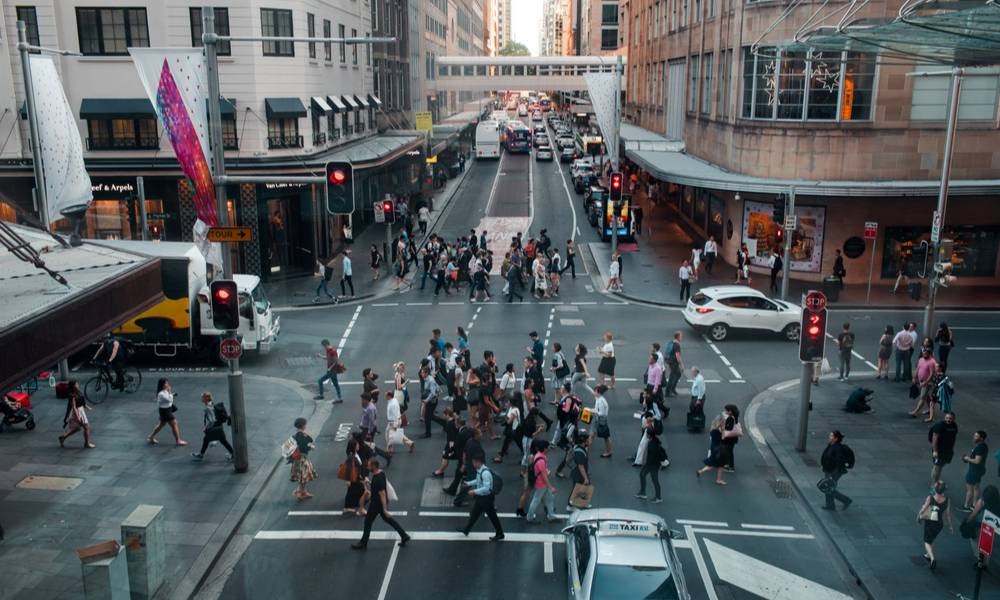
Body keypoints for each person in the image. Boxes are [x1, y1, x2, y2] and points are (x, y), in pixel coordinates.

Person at [351, 458, 410, 549]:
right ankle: (404, 535)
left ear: (374, 466)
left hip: (376, 504)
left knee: (368, 522)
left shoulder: (377, 479)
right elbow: (379, 488)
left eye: (369, 465)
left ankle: (363, 543)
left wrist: (385, 509)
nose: (367, 467)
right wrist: (370, 483)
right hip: (379, 503)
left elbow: (382, 493)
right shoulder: (381, 473)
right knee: (388, 520)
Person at [456, 455, 505, 541]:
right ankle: (466, 529)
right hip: (482, 497)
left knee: (492, 516)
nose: (473, 464)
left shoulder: (485, 473)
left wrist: (474, 491)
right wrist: (468, 483)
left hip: (486, 498)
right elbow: (478, 481)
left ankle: (500, 533)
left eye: (474, 462)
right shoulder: (480, 470)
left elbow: (486, 488)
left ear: (478, 462)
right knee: (475, 513)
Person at [918, 480, 953, 571]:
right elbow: (948, 514)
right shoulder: (947, 500)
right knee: (932, 538)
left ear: (935, 489)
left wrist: (919, 516)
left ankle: (932, 559)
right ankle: (928, 554)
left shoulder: (930, 498)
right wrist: (950, 526)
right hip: (939, 523)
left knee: (926, 541)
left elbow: (924, 509)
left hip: (930, 522)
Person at [191, 392, 234, 461]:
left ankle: (233, 454)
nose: (201, 399)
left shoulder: (208, 408)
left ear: (206, 399)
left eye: (202, 397)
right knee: (215, 440)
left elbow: (212, 420)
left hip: (216, 426)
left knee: (222, 441)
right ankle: (201, 454)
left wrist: (207, 428)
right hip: (219, 425)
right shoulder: (212, 404)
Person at [526, 439, 559, 524]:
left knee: (550, 498)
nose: (548, 449)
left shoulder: (539, 456)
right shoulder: (541, 460)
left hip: (540, 482)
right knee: (536, 500)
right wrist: (550, 487)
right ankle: (530, 517)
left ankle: (551, 516)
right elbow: (544, 476)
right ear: (544, 449)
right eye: (547, 448)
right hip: (541, 484)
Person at [820, 430, 854, 510]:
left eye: (831, 436)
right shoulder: (831, 445)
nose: (829, 437)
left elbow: (839, 462)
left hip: (834, 472)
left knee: (829, 488)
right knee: (828, 488)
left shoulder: (837, 448)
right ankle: (831, 505)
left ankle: (846, 500)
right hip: (829, 470)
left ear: (836, 438)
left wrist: (832, 475)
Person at [148, 378, 186, 446]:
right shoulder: (161, 394)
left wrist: (170, 393)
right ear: (162, 385)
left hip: (166, 410)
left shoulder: (164, 391)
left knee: (161, 424)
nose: (168, 384)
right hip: (165, 411)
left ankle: (151, 437)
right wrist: (170, 391)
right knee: (174, 424)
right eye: (166, 383)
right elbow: (169, 399)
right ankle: (178, 441)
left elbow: (169, 398)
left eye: (167, 383)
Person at [59, 380, 95, 449]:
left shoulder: (78, 392)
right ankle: (86, 444)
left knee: (77, 428)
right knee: (86, 427)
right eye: (76, 384)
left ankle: (63, 437)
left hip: (81, 410)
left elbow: (82, 401)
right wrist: (78, 417)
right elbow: (74, 407)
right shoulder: (72, 396)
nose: (78, 385)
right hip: (78, 412)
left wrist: (87, 407)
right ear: (73, 387)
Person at [960, 430, 989, 512]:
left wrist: (967, 458)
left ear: (981, 438)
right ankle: (974, 505)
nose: (974, 437)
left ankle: (966, 506)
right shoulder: (983, 446)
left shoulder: (980, 448)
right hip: (979, 470)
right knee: (976, 487)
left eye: (976, 436)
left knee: (969, 489)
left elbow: (977, 461)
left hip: (974, 471)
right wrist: (968, 459)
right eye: (974, 435)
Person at [289, 417, 317, 501]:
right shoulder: (301, 435)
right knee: (304, 476)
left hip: (299, 459)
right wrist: (310, 446)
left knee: (303, 476)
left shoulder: (297, 434)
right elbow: (304, 446)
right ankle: (299, 491)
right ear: (303, 425)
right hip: (302, 459)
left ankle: (302, 491)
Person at [636, 429, 665, 503]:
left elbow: (651, 456)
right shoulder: (656, 441)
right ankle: (654, 496)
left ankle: (655, 496)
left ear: (648, 435)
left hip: (652, 465)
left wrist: (645, 464)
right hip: (655, 464)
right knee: (649, 478)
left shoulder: (651, 444)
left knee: (649, 477)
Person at [697, 417, 728, 485]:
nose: (724, 425)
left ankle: (700, 471)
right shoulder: (717, 432)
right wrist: (723, 431)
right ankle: (719, 480)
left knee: (713, 464)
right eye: (724, 423)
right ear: (720, 424)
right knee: (721, 465)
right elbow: (723, 439)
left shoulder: (713, 430)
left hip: (714, 449)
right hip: (719, 450)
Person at [910, 349, 938, 422]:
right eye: (923, 353)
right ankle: (930, 410)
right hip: (921, 382)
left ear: (930, 354)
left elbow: (932, 374)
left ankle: (916, 411)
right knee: (928, 398)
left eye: (925, 354)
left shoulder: (932, 362)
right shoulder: (921, 359)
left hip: (928, 383)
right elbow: (918, 369)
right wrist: (914, 377)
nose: (924, 355)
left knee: (922, 397)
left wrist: (926, 382)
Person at [929, 412, 959, 482]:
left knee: (941, 466)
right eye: (947, 418)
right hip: (939, 450)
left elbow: (953, 437)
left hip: (948, 450)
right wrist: (935, 451)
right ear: (944, 418)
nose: (948, 420)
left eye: (950, 418)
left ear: (954, 419)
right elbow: (934, 439)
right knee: (937, 466)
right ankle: (934, 485)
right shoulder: (940, 426)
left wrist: (952, 448)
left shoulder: (954, 426)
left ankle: (937, 480)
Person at [342, 439, 369, 516]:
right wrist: (348, 480)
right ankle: (361, 508)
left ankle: (347, 508)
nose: (358, 446)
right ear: (354, 446)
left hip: (357, 477)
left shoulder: (356, 454)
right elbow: (348, 468)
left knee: (351, 492)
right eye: (357, 445)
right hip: (355, 478)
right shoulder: (351, 456)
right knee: (365, 492)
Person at [566, 432, 591, 511]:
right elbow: (581, 466)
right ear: (584, 441)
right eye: (588, 439)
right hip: (579, 474)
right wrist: (585, 477)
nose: (590, 440)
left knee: (585, 487)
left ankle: (582, 502)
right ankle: (570, 506)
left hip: (579, 472)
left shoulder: (578, 447)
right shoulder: (579, 452)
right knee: (576, 489)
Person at [592, 384, 612, 458]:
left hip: (601, 420)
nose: (594, 393)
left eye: (595, 391)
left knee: (606, 437)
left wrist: (592, 411)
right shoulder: (600, 399)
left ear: (598, 392)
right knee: (606, 436)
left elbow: (601, 413)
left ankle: (608, 452)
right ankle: (609, 451)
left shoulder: (600, 401)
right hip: (602, 420)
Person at [665, 331, 684, 398]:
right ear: (678, 337)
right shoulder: (677, 345)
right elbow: (677, 356)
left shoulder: (671, 342)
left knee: (678, 374)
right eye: (681, 336)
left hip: (670, 361)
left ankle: (672, 389)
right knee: (672, 377)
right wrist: (681, 365)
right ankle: (668, 392)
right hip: (674, 363)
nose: (682, 337)